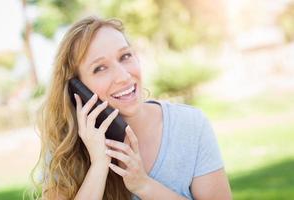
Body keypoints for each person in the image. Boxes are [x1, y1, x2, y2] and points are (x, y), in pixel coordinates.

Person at [33, 15, 232, 200]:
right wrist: (99, 166)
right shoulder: (65, 150)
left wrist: (144, 186)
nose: (124, 76)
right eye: (100, 68)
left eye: (125, 56)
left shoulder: (190, 126)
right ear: (78, 89)